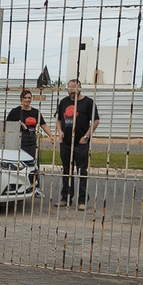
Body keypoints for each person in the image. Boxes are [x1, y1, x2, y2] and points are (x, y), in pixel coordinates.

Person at [54, 79, 101, 210]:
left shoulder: (88, 103)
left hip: (81, 143)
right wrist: (60, 131)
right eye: (69, 89)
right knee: (66, 171)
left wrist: (86, 136)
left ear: (79, 89)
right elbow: (58, 119)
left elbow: (96, 121)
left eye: (73, 89)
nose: (71, 91)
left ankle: (82, 201)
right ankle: (66, 198)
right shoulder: (64, 102)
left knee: (81, 171)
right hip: (66, 142)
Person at [5, 89, 54, 197]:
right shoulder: (15, 111)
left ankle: (35, 188)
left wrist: (51, 135)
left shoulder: (35, 112)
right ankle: (19, 188)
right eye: (25, 98)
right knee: (20, 164)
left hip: (31, 140)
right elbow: (8, 126)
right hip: (20, 140)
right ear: (21, 99)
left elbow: (43, 124)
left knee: (34, 164)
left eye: (29, 98)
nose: (27, 100)